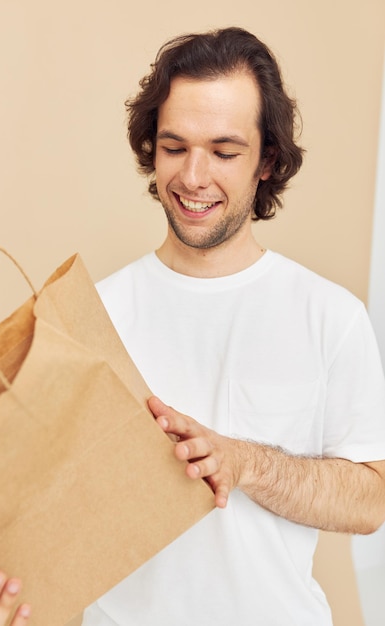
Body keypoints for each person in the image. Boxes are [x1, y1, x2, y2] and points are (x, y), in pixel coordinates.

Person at [82, 27, 385, 625]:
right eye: (174, 147)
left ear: (267, 161)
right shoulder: (95, 315)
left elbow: (371, 500)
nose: (193, 178)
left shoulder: (331, 317)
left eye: (224, 152)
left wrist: (244, 463)